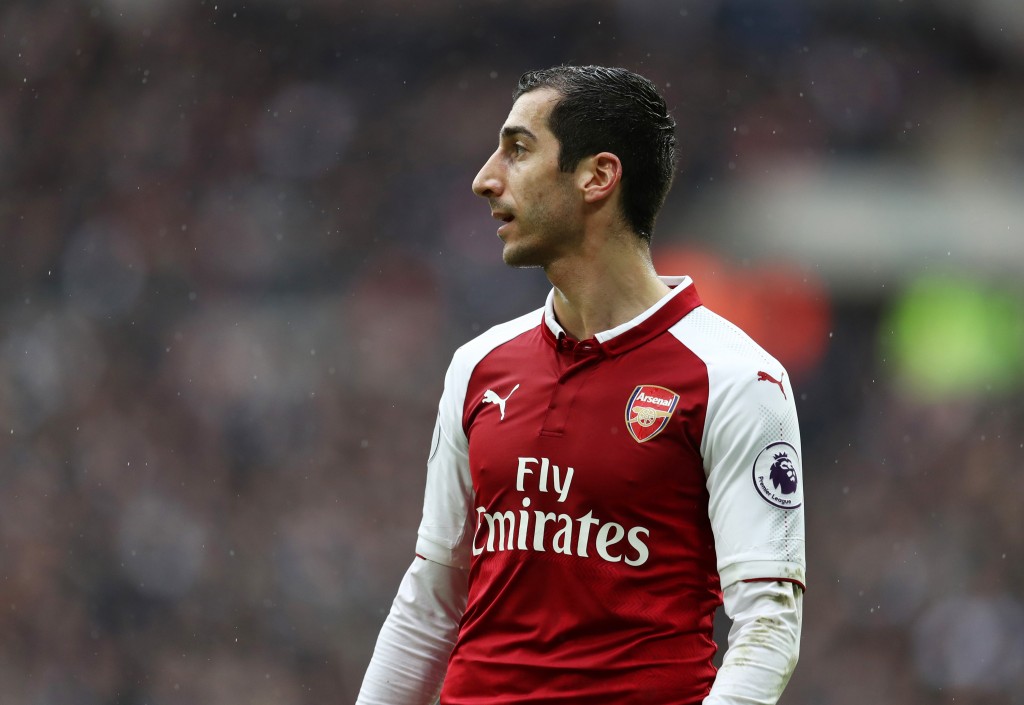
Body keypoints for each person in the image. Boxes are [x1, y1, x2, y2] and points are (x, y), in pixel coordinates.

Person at [356, 65, 805, 705]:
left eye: (517, 150)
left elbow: (767, 626)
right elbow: (431, 601)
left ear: (597, 177)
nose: (485, 179)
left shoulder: (736, 379)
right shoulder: (479, 365)